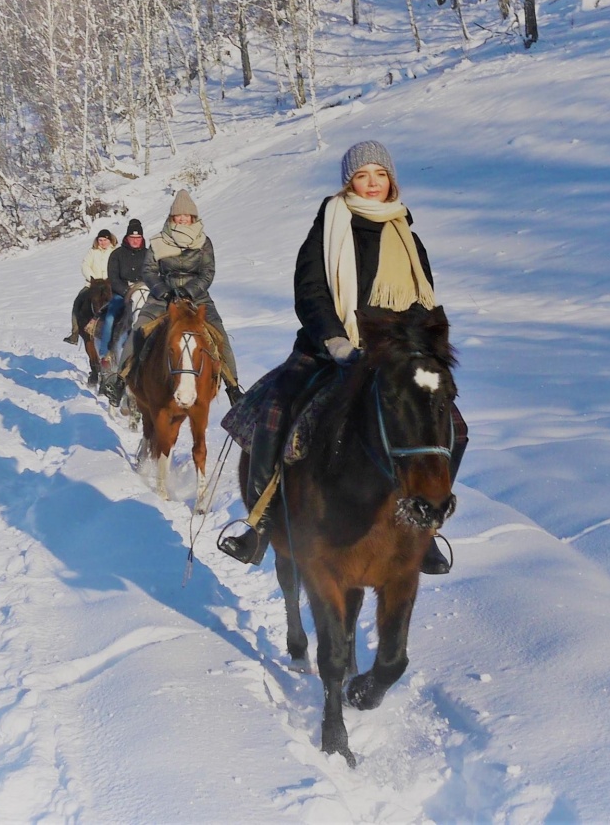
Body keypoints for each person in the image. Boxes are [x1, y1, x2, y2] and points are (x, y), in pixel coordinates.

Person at [218, 140, 465, 575]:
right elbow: (310, 292)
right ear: (349, 181)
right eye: (362, 176)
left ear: (391, 181)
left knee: (455, 428)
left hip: (393, 357)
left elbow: (424, 303)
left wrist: (419, 349)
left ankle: (423, 522)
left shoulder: (407, 234)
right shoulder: (328, 228)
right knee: (274, 416)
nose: (372, 184)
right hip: (329, 350)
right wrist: (335, 341)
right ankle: (260, 525)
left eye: (380, 175)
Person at [119, 190, 243, 405]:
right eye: (179, 215)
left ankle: (233, 387)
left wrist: (188, 291)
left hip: (198, 297)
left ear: (193, 217)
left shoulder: (204, 242)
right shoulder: (158, 241)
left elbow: (207, 272)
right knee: (139, 330)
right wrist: (164, 291)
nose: (183, 218)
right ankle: (119, 379)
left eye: (187, 215)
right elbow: (149, 271)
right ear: (172, 217)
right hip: (161, 297)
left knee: (219, 335)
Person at [99, 218, 147, 365]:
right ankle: (105, 353)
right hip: (122, 292)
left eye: (138, 238)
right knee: (110, 317)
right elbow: (113, 277)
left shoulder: (149, 254)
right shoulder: (117, 254)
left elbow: (154, 273)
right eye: (132, 237)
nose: (135, 240)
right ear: (127, 238)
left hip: (144, 291)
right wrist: (126, 291)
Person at [65, 229, 117, 344]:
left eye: (105, 240)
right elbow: (85, 265)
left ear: (110, 240)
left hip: (110, 285)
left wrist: (111, 279)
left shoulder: (115, 251)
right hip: (92, 284)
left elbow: (117, 267)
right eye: (100, 240)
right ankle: (75, 333)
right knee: (78, 302)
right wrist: (93, 279)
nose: (103, 242)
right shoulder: (92, 252)